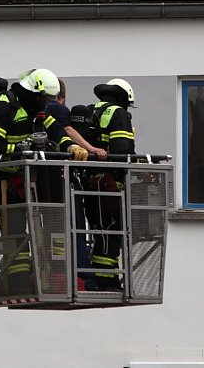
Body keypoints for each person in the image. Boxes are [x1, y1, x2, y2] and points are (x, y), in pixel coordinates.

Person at [0, 68, 89, 294]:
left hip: (33, 180)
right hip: (6, 183)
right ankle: (18, 285)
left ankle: (52, 277)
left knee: (52, 224)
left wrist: (71, 146)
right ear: (33, 92)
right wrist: (22, 150)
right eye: (45, 98)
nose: (47, 103)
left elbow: (55, 131)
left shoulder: (35, 109)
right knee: (16, 235)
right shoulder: (2, 107)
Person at [45, 79, 106, 290]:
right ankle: (84, 278)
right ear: (61, 95)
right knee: (76, 227)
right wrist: (92, 149)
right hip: (64, 178)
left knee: (55, 230)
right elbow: (68, 131)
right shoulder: (56, 109)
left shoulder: (36, 113)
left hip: (45, 182)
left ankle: (59, 273)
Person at [84, 78, 136, 291]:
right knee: (113, 232)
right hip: (109, 184)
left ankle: (103, 278)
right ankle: (108, 280)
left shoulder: (89, 110)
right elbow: (122, 152)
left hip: (87, 183)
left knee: (98, 230)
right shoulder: (118, 114)